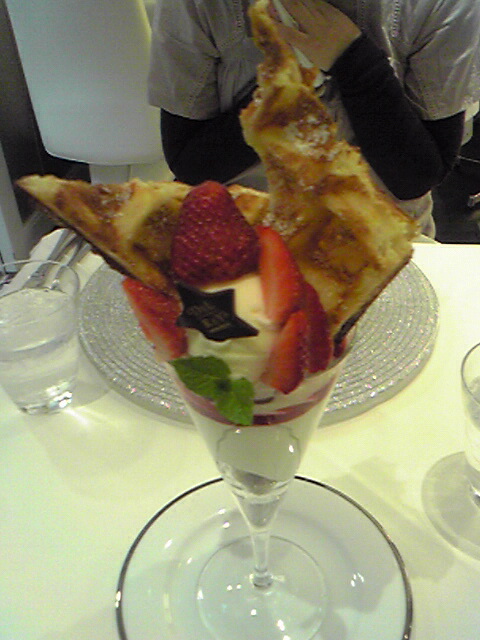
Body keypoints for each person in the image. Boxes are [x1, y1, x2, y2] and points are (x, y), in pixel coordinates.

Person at [148, 0, 480, 236]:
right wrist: (290, 86)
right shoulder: (200, 6)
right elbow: (190, 163)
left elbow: (415, 177)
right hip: (237, 230)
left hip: (383, 236)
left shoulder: (440, 7)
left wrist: (352, 60)